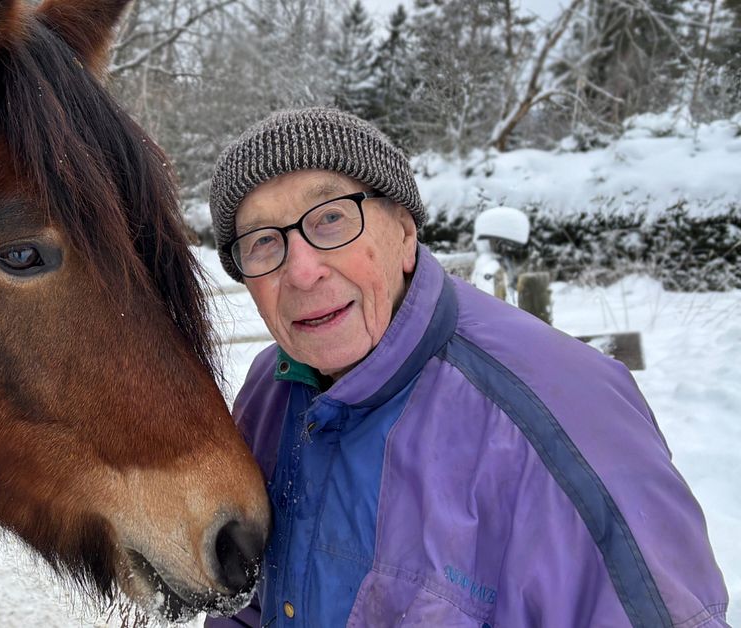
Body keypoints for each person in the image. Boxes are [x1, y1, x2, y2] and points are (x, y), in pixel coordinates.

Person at [204, 107, 728, 627]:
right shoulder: (266, 395)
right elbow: (249, 604)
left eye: (331, 218)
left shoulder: (559, 423)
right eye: (264, 242)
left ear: (405, 234)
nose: (301, 271)